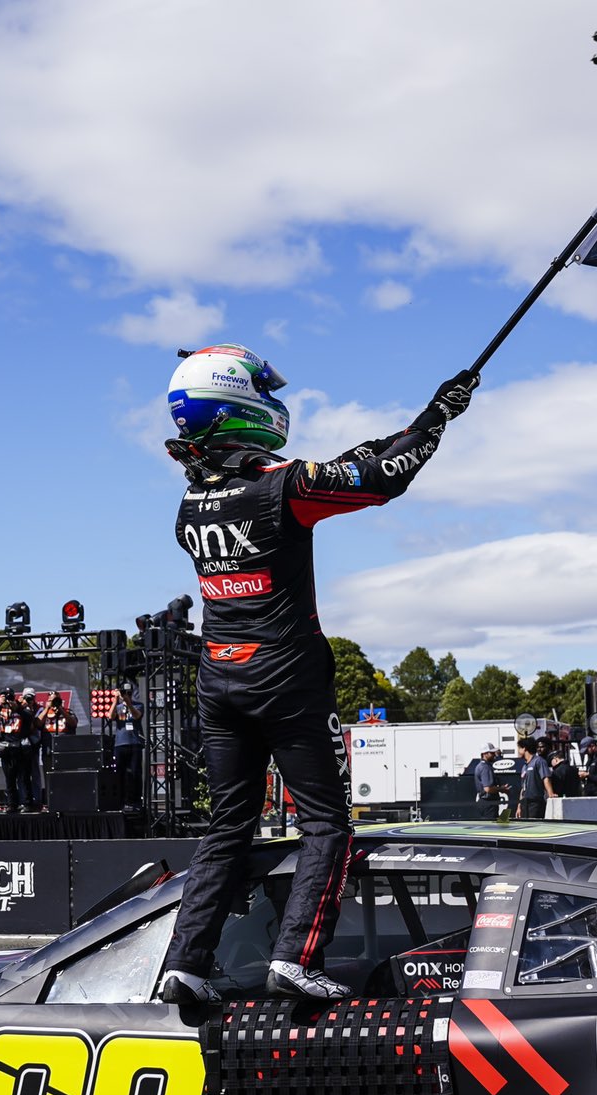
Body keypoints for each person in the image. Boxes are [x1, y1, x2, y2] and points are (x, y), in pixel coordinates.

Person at [154, 343, 477, 1004]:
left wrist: (407, 428)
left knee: (226, 829)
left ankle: (183, 963)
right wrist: (438, 418)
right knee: (328, 824)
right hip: (287, 678)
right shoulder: (283, 488)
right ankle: (295, 957)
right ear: (242, 408)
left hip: (218, 680)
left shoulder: (190, 507)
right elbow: (379, 478)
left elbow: (353, 465)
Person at [109, 684, 143, 810]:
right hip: (120, 743)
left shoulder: (138, 705)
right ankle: (120, 801)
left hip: (134, 743)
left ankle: (135, 801)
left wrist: (128, 703)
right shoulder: (117, 707)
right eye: (124, 693)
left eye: (128, 693)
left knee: (135, 773)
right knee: (119, 773)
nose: (126, 695)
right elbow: (110, 716)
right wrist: (115, 700)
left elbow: (136, 716)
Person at [514, 736, 553, 819]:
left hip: (536, 802)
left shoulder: (539, 761)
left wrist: (551, 794)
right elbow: (523, 788)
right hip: (525, 803)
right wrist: (519, 806)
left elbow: (546, 778)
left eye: (519, 748)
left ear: (524, 748)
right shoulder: (524, 766)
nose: (518, 751)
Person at [467, 744, 507, 817]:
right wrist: (502, 789)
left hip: (485, 802)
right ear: (485, 754)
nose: (494, 755)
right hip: (489, 804)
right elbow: (488, 789)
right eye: (491, 753)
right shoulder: (485, 767)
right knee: (491, 827)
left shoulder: (481, 766)